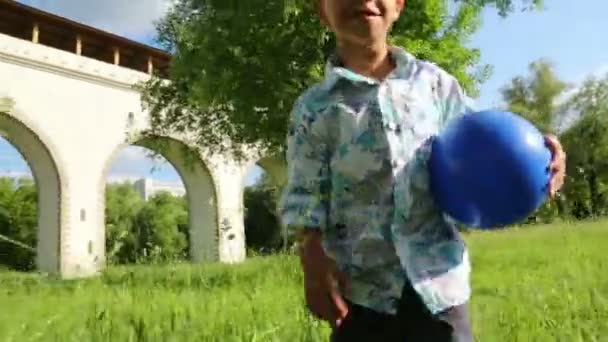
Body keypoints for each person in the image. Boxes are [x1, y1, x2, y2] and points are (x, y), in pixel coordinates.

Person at [279, 0, 567, 341]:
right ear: (321, 11)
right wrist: (312, 261)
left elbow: (485, 143)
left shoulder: (433, 85)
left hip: (438, 287)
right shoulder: (315, 107)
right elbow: (303, 192)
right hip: (360, 293)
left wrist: (538, 150)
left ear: (398, 6)